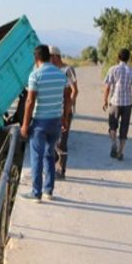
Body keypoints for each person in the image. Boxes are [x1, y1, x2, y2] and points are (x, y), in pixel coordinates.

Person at [19, 45, 70, 202]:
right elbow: (68, 98)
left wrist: (25, 125)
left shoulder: (35, 75)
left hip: (40, 123)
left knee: (37, 156)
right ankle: (48, 191)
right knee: (49, 155)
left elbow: (30, 101)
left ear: (36, 59)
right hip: (55, 122)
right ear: (49, 57)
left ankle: (36, 193)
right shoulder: (61, 75)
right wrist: (65, 118)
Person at [103, 48, 132, 161]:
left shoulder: (113, 69)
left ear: (118, 57)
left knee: (112, 126)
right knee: (124, 128)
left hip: (114, 102)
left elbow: (107, 87)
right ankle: (120, 152)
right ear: (128, 58)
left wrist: (105, 100)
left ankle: (114, 143)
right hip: (127, 104)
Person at [49, 46, 78, 180]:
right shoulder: (53, 70)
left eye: (49, 57)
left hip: (64, 110)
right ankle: (53, 167)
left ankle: (62, 170)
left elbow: (74, 90)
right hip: (54, 110)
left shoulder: (67, 70)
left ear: (55, 56)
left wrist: (68, 107)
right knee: (53, 140)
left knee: (62, 141)